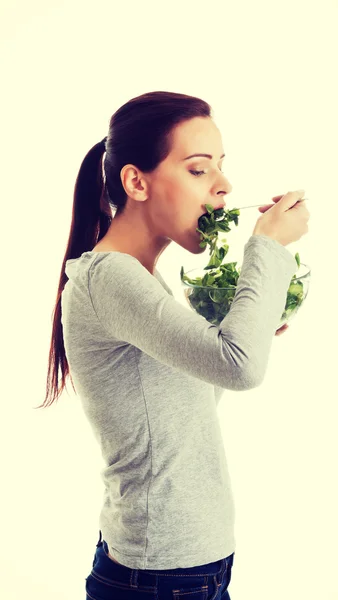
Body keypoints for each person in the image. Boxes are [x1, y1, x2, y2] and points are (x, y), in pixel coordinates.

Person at [38, 90, 309, 599]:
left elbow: (194, 403)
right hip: (160, 579)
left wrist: (242, 327)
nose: (225, 186)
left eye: (221, 168)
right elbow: (241, 370)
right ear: (136, 181)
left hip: (182, 571)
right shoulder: (110, 278)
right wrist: (267, 246)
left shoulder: (139, 279)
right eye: (199, 170)